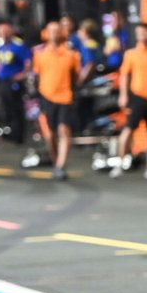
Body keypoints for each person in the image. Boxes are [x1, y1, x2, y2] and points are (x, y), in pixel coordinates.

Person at [111, 23, 147, 179]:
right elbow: (124, 76)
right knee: (128, 129)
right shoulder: (131, 54)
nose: (141, 35)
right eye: (138, 33)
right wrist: (123, 95)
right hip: (137, 98)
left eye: (144, 32)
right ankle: (119, 164)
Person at [32, 21, 82, 181]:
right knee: (49, 135)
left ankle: (61, 165)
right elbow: (36, 76)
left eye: (57, 31)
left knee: (64, 130)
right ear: (46, 33)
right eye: (51, 31)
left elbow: (76, 77)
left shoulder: (71, 54)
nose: (54, 34)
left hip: (65, 97)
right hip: (46, 97)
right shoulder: (40, 55)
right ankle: (56, 163)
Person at [0, 20, 32, 145]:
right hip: (2, 81)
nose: (1, 34)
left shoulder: (18, 45)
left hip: (13, 82)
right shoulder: (1, 45)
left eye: (4, 31)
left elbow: (28, 63)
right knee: (6, 108)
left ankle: (18, 135)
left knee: (15, 109)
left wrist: (22, 75)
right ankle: (9, 132)